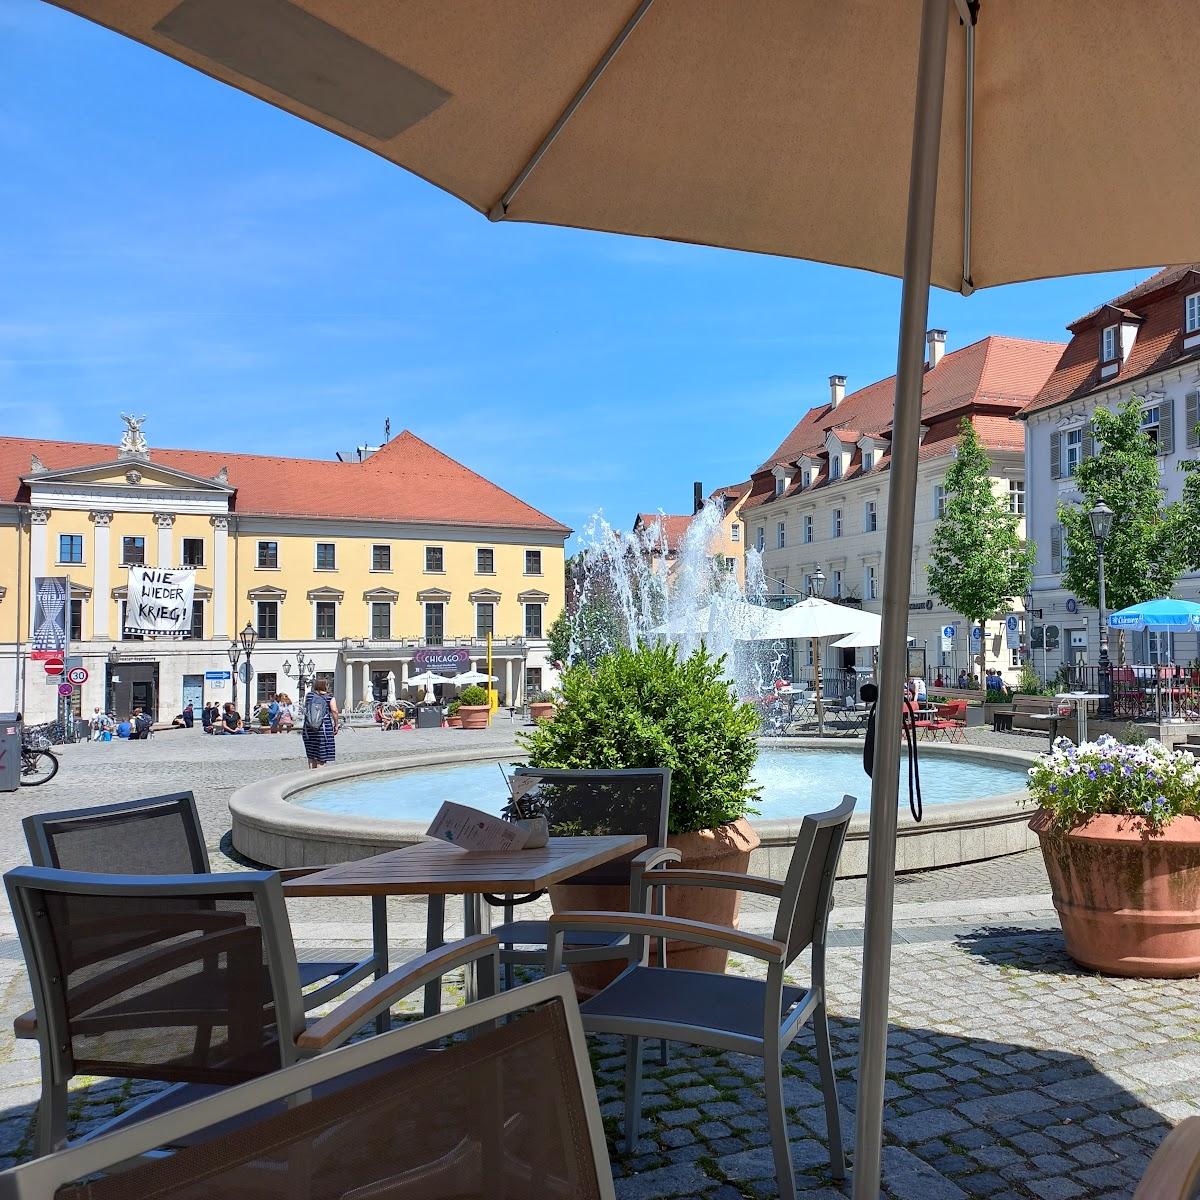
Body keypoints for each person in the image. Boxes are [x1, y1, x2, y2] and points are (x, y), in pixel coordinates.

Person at [301, 678, 338, 769]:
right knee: (321, 756)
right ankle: (320, 779)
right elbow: (334, 710)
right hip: (323, 729)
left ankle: (311, 777)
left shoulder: (309, 696)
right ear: (326, 686)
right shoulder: (330, 697)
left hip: (309, 729)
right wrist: (336, 724)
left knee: (311, 755)